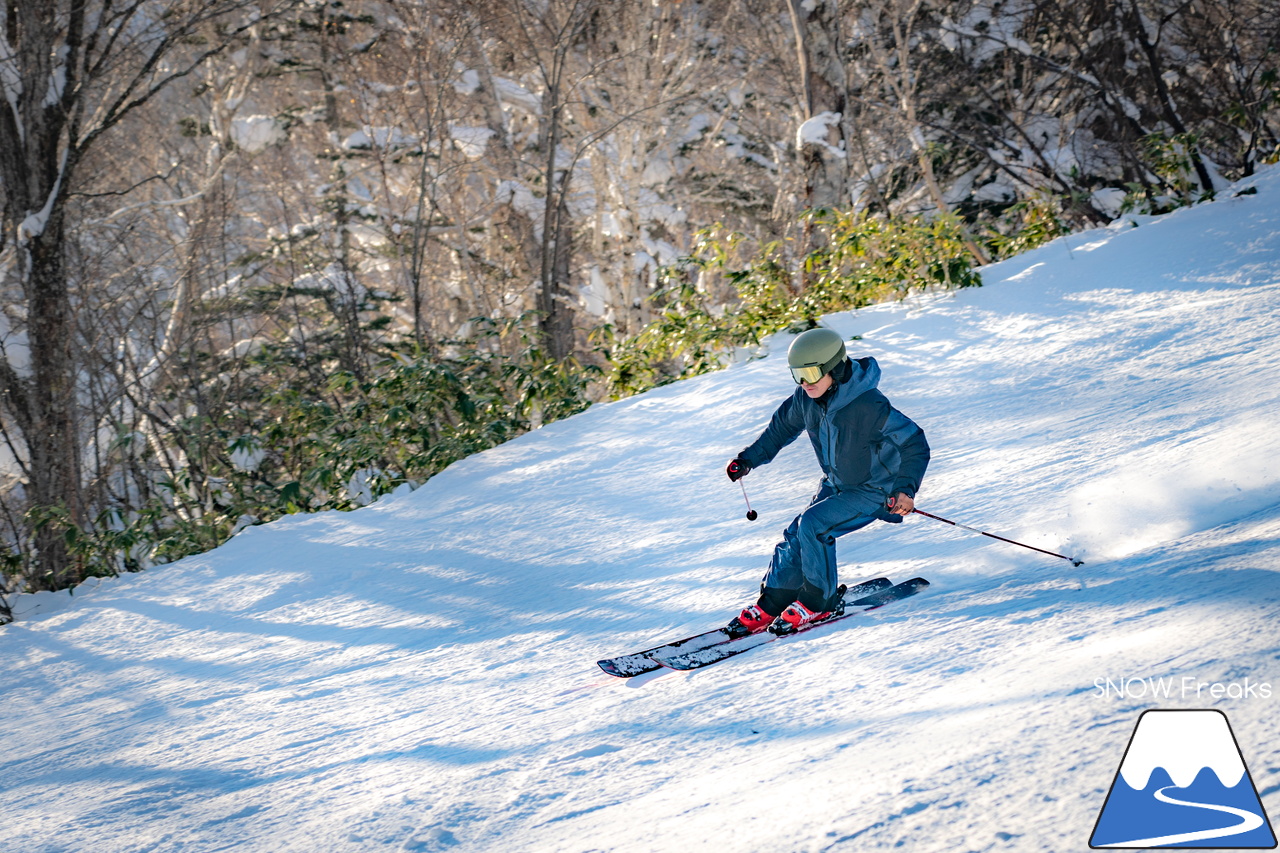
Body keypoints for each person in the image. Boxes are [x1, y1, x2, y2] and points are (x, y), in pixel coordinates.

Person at [724, 327, 930, 636]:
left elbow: (914, 442)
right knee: (796, 535)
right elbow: (779, 431)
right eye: (797, 375)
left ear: (834, 368)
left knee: (814, 525)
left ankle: (818, 602)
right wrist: (748, 459)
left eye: (810, 373)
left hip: (875, 489)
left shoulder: (868, 405)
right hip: (837, 483)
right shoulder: (805, 399)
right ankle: (774, 601)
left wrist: (905, 489)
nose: (804, 382)